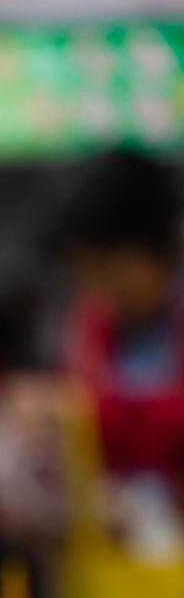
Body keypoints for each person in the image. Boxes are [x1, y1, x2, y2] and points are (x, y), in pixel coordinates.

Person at [54, 147, 184, 480]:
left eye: (107, 270)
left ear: (156, 249)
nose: (97, 289)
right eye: (86, 275)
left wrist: (83, 416)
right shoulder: (92, 326)